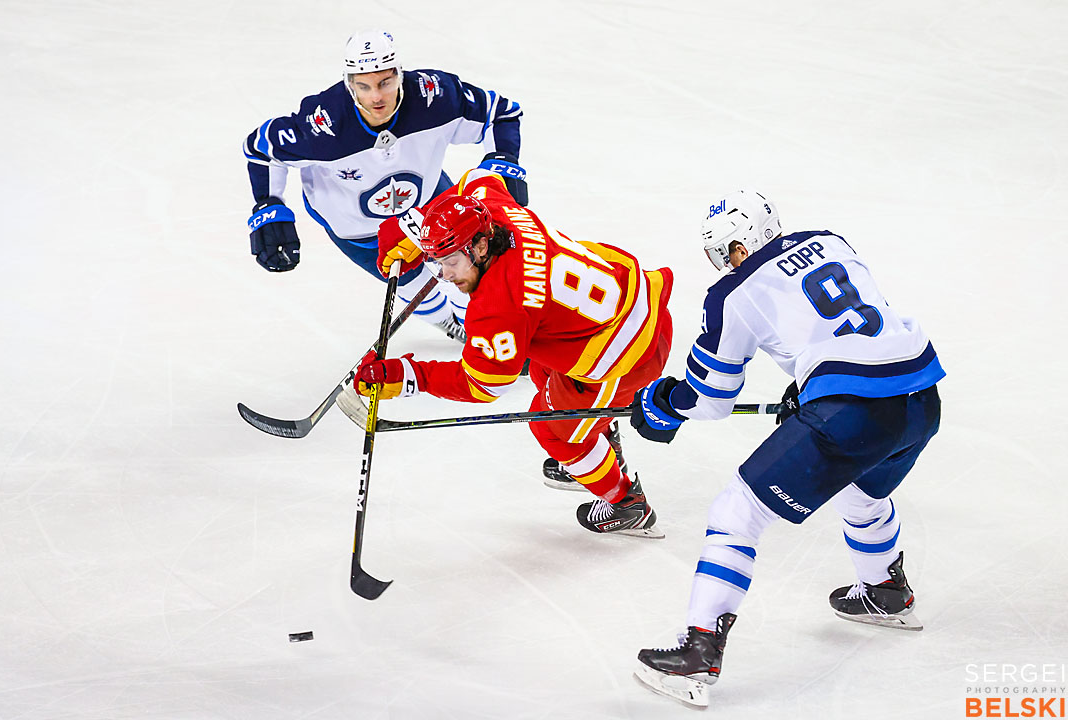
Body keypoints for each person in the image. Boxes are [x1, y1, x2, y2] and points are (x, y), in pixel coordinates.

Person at [628, 189, 945, 707]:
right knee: (860, 491)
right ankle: (885, 590)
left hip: (854, 409)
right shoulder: (831, 241)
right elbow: (849, 324)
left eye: (726, 251)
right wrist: (810, 383)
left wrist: (664, 403)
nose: (725, 263)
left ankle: (698, 652)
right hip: (921, 398)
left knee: (736, 512)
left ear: (739, 245)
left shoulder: (733, 293)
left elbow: (711, 397)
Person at [353, 168, 674, 537]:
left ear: (480, 247)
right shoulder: (494, 212)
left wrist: (409, 376)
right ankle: (598, 433)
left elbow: (483, 385)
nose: (443, 274)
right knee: (541, 371)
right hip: (633, 296)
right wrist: (426, 225)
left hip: (627, 355)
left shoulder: (499, 307)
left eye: (450, 261)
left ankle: (625, 502)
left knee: (549, 427)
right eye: (437, 262)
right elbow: (482, 178)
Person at [242, 30, 528, 342]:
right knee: (409, 283)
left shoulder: (434, 96)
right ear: (349, 84)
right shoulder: (322, 125)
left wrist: (502, 164)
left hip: (429, 200)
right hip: (357, 227)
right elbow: (261, 149)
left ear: (399, 74)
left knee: (473, 262)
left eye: (384, 82)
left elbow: (500, 113)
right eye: (363, 86)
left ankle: (482, 323)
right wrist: (269, 207)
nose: (376, 97)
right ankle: (450, 322)